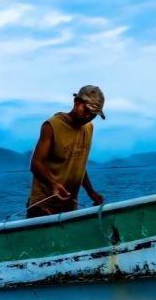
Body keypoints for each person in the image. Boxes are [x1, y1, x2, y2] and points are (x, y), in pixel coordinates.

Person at [27, 85, 105, 218]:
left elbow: (78, 165)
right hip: (43, 207)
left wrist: (91, 192)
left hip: (68, 208)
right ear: (76, 102)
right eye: (86, 110)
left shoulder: (88, 128)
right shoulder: (52, 126)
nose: (88, 116)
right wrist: (53, 184)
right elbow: (36, 164)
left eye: (93, 115)